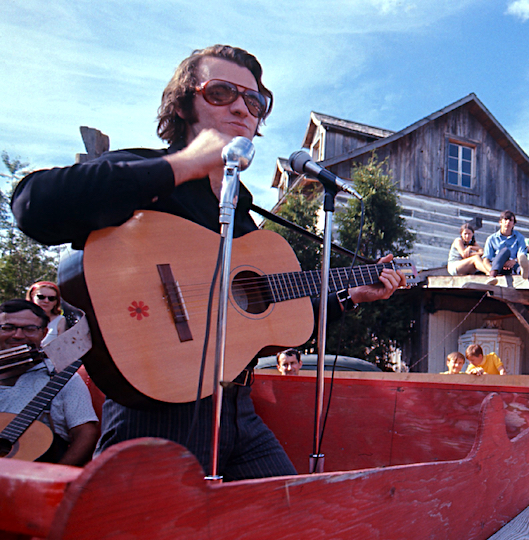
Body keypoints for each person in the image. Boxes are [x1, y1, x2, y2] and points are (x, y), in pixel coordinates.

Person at [12, 45, 403, 480]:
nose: (241, 106)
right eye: (221, 92)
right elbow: (33, 205)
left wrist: (349, 297)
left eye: (254, 101)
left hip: (238, 411)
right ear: (183, 105)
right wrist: (184, 164)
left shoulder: (243, 209)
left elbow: (263, 318)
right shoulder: (146, 168)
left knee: (283, 524)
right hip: (157, 413)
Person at [0, 300, 99, 466]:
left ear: (44, 333)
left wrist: (55, 478)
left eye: (29, 329)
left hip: (33, 477)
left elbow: (85, 432)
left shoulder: (61, 377)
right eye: (8, 328)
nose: (17, 335)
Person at [483, 210, 529, 278]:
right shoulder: (491, 239)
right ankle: (492, 276)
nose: (508, 222)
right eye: (505, 219)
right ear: (500, 222)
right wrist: (491, 270)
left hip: (513, 265)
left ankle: (523, 272)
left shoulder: (519, 237)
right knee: (505, 251)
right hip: (498, 267)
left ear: (513, 224)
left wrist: (514, 261)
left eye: (510, 220)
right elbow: (486, 259)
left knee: (520, 263)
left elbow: (522, 253)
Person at [25, 281, 67, 346]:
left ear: (56, 302)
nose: (46, 301)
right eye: (41, 297)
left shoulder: (60, 320)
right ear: (32, 297)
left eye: (51, 298)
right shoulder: (22, 318)